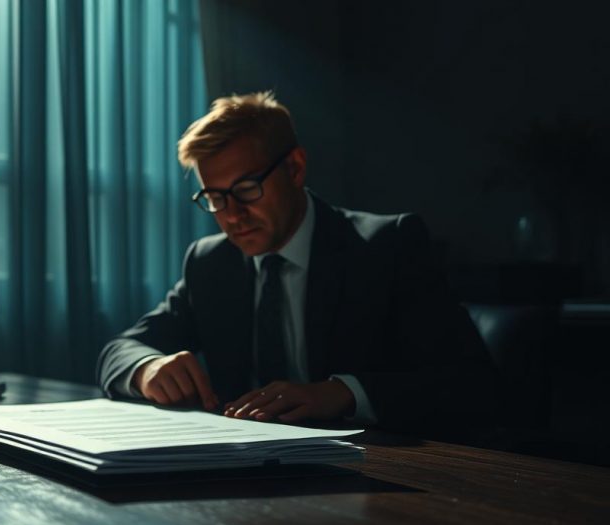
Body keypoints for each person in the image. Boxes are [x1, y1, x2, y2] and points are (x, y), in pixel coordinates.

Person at [96, 91, 495, 432]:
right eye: (215, 198)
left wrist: (341, 393)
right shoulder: (210, 263)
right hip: (241, 479)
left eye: (246, 189)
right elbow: (122, 349)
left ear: (296, 168)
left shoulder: (386, 246)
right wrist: (147, 369)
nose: (231, 215)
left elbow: (471, 383)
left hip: (377, 480)